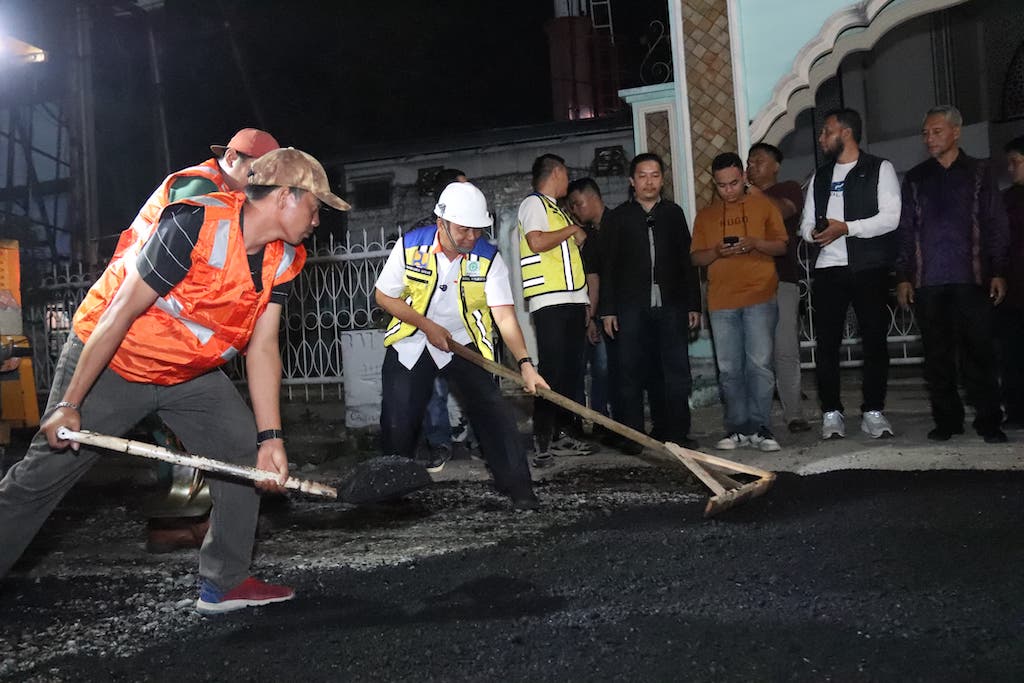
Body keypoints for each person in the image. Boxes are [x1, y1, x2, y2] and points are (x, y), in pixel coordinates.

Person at [0, 147, 349, 615]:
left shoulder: (285, 257)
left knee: (242, 450)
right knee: (41, 478)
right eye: (316, 206)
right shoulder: (194, 225)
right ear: (286, 196)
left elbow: (263, 345)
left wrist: (272, 437)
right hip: (116, 363)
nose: (317, 219)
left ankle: (224, 583)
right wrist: (70, 403)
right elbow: (119, 312)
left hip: (187, 373)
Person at [129, 127, 281, 553]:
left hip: (176, 338)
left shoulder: (227, 195)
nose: (262, 185)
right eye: (258, 173)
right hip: (142, 330)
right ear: (232, 158)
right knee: (177, 443)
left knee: (211, 440)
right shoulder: (200, 189)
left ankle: (196, 531)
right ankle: (180, 524)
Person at [376, 181, 548, 509]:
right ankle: (390, 495)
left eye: (478, 231)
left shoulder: (488, 258)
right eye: (464, 230)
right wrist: (427, 326)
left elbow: (504, 316)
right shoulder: (410, 246)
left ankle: (520, 490)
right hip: (412, 339)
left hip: (464, 343)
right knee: (398, 420)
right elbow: (383, 296)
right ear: (442, 223)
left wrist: (525, 363)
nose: (472, 238)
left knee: (494, 412)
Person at [895, 106, 1009, 443]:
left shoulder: (979, 172)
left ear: (956, 132)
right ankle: (947, 420)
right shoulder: (916, 177)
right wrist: (903, 275)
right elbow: (905, 229)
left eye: (937, 131)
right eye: (926, 133)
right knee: (937, 356)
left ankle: (989, 420)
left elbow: (995, 223)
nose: (929, 138)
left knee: (979, 352)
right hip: (928, 281)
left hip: (971, 277)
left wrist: (999, 270)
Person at [800, 108, 901, 440]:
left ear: (845, 133)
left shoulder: (879, 168)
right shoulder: (820, 176)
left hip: (868, 268)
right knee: (827, 344)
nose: (821, 138)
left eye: (826, 131)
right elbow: (805, 224)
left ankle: (873, 411)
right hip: (829, 269)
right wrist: (815, 233)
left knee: (873, 340)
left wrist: (847, 228)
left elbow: (890, 218)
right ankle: (831, 413)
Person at [599, 153, 701, 452]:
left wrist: (693, 304)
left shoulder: (673, 213)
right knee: (630, 371)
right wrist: (607, 310)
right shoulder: (618, 218)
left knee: (675, 371)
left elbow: (687, 261)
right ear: (632, 181)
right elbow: (608, 266)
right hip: (631, 307)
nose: (649, 181)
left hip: (671, 305)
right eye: (642, 175)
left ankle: (676, 434)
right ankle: (633, 437)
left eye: (655, 175)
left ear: (662, 180)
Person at [691, 152, 788, 452]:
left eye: (734, 183)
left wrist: (755, 243)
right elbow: (696, 257)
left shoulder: (764, 206)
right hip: (721, 301)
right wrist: (718, 252)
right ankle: (737, 428)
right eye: (722, 186)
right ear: (715, 184)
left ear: (744, 178)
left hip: (760, 295)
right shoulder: (705, 216)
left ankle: (761, 427)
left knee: (759, 365)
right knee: (730, 368)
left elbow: (782, 246)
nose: (729, 190)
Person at [517, 154, 595, 466]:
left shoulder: (555, 210)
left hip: (571, 300)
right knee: (552, 370)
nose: (568, 181)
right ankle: (544, 438)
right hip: (550, 301)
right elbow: (536, 242)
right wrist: (571, 230)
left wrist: (584, 299)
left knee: (572, 372)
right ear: (558, 172)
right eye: (566, 174)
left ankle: (567, 432)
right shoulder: (534, 204)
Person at [746, 142, 811, 433]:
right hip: (748, 283)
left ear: (776, 165)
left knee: (785, 349)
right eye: (748, 162)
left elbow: (780, 213)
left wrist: (750, 192)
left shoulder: (788, 188)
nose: (752, 167)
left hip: (781, 280)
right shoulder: (741, 199)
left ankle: (794, 414)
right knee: (755, 355)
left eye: (758, 161)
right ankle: (757, 417)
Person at [410, 168, 471, 473]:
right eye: (462, 188)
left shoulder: (473, 233)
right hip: (430, 324)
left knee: (473, 382)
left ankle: (475, 439)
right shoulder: (419, 235)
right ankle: (439, 444)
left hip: (465, 323)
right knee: (433, 387)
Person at [566, 177, 613, 439]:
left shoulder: (617, 224)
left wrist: (594, 315)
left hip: (609, 311)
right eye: (571, 206)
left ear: (593, 198)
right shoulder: (589, 236)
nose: (575, 210)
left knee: (606, 369)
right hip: (592, 312)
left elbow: (599, 277)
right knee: (593, 369)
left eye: (577, 204)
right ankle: (596, 421)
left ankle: (605, 422)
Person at [999, 136, 1024, 429]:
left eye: (1016, 163)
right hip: (1014, 291)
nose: (1010, 169)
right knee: (1013, 355)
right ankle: (1016, 411)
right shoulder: (1007, 200)